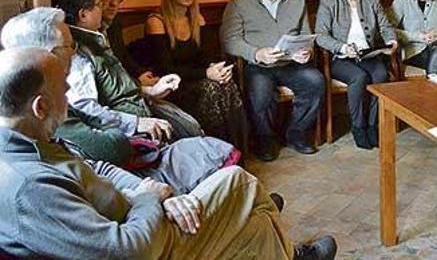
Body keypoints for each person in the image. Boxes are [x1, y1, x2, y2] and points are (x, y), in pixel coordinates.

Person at [0, 47, 338, 260]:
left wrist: (151, 195)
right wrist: (149, 198)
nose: (71, 97)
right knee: (239, 182)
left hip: (138, 214)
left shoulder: (33, 139)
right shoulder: (29, 186)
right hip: (147, 241)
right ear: (40, 106)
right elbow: (129, 250)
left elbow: (97, 166)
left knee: (257, 225)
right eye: (65, 89)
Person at [2, 7, 240, 196]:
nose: (74, 52)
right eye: (68, 46)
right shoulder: (48, 110)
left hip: (122, 164)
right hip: (129, 178)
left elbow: (92, 166)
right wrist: (149, 198)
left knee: (207, 149)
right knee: (210, 158)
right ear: (45, 54)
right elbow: (105, 151)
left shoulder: (56, 95)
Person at [52, 0, 204, 143]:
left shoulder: (98, 37)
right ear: (83, 15)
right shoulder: (77, 53)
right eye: (99, 4)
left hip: (146, 113)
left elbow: (115, 88)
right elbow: (86, 109)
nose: (105, 7)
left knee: (200, 137)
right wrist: (137, 123)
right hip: (134, 135)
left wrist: (150, 91)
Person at [221, 0, 324, 161]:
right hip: (259, 65)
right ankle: (265, 139)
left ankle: (295, 133)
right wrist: (256, 53)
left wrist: (306, 51)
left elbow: (306, 34)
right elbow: (229, 40)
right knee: (260, 91)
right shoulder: (239, 1)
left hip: (291, 63)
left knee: (316, 81)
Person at [144, 0, 249, 151]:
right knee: (212, 89)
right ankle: (213, 151)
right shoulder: (156, 21)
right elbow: (165, 69)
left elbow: (208, 58)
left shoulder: (197, 19)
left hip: (199, 79)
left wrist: (218, 70)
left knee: (227, 85)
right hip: (173, 85)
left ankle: (235, 150)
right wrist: (207, 73)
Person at [315, 0, 396, 149]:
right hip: (341, 58)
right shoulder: (328, 1)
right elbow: (320, 35)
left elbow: (385, 26)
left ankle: (373, 126)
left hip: (368, 55)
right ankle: (358, 127)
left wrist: (392, 41)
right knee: (359, 77)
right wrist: (343, 48)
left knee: (381, 75)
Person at [89, 0, 159, 86]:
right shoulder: (84, 29)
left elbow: (122, 57)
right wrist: (137, 83)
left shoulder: (114, 24)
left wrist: (140, 74)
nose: (114, 3)